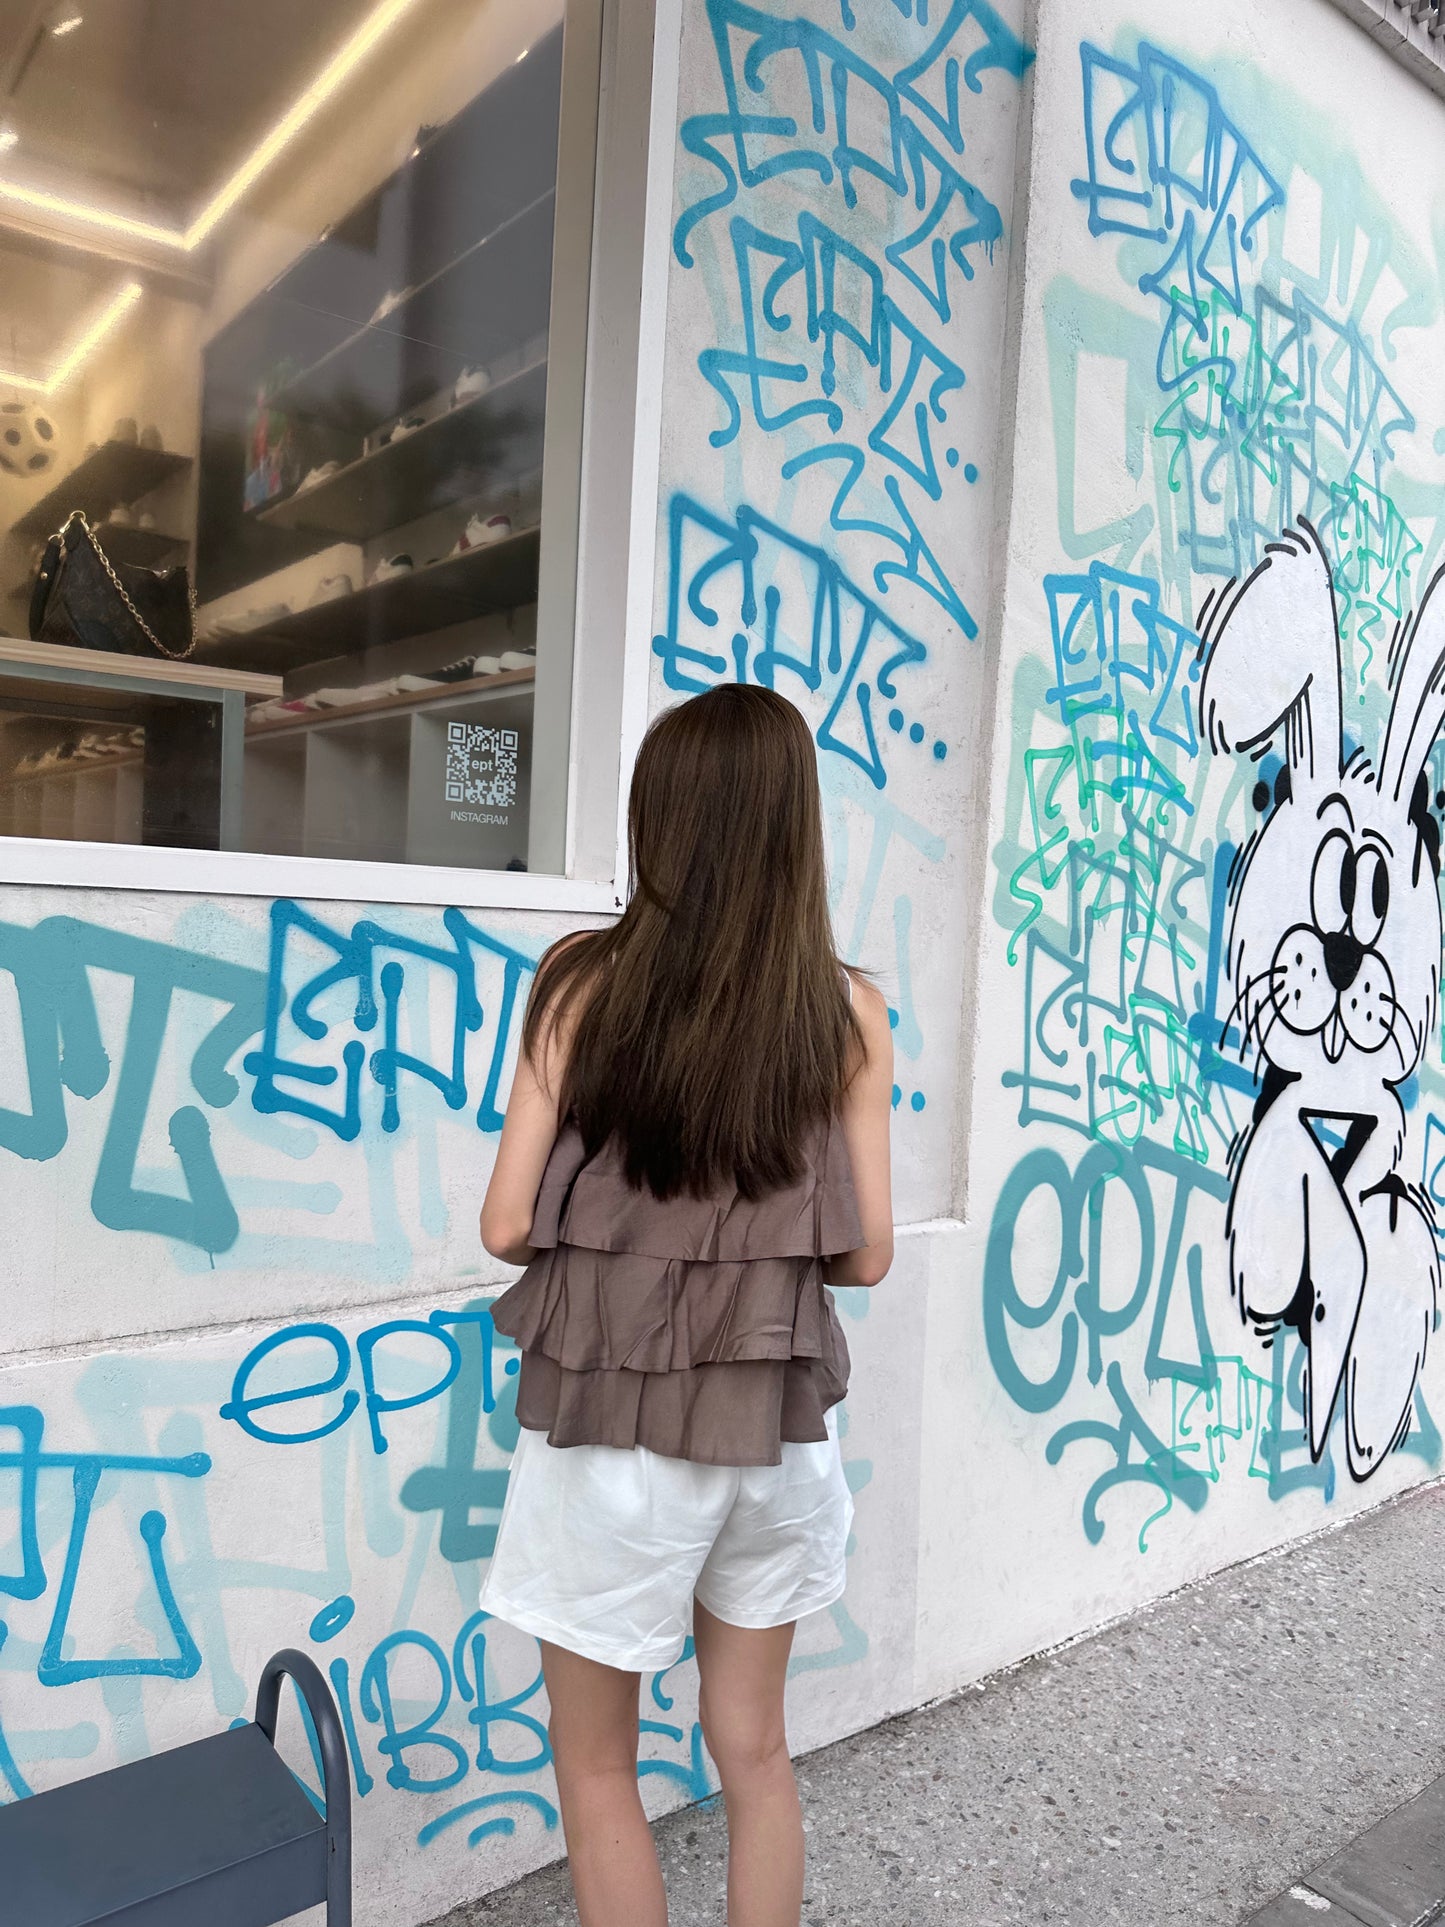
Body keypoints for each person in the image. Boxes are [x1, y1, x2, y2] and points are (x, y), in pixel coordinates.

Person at [478, 684, 895, 1927]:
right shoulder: (846, 1009)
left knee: (597, 1764)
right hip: (773, 1440)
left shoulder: (577, 982)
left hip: (615, 1442)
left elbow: (503, 1224)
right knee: (754, 1752)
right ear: (792, 829)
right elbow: (864, 1257)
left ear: (657, 819)